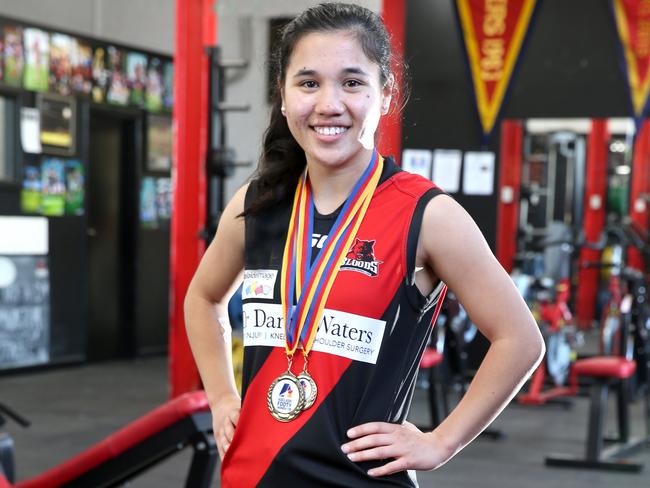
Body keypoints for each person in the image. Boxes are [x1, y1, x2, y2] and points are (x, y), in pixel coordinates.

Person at [184, 3, 544, 486]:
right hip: (253, 475)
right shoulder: (258, 204)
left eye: (352, 83)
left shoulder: (427, 213)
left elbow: (520, 340)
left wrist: (441, 441)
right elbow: (202, 298)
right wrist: (224, 397)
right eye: (308, 83)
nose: (329, 104)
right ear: (284, 96)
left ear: (385, 93)